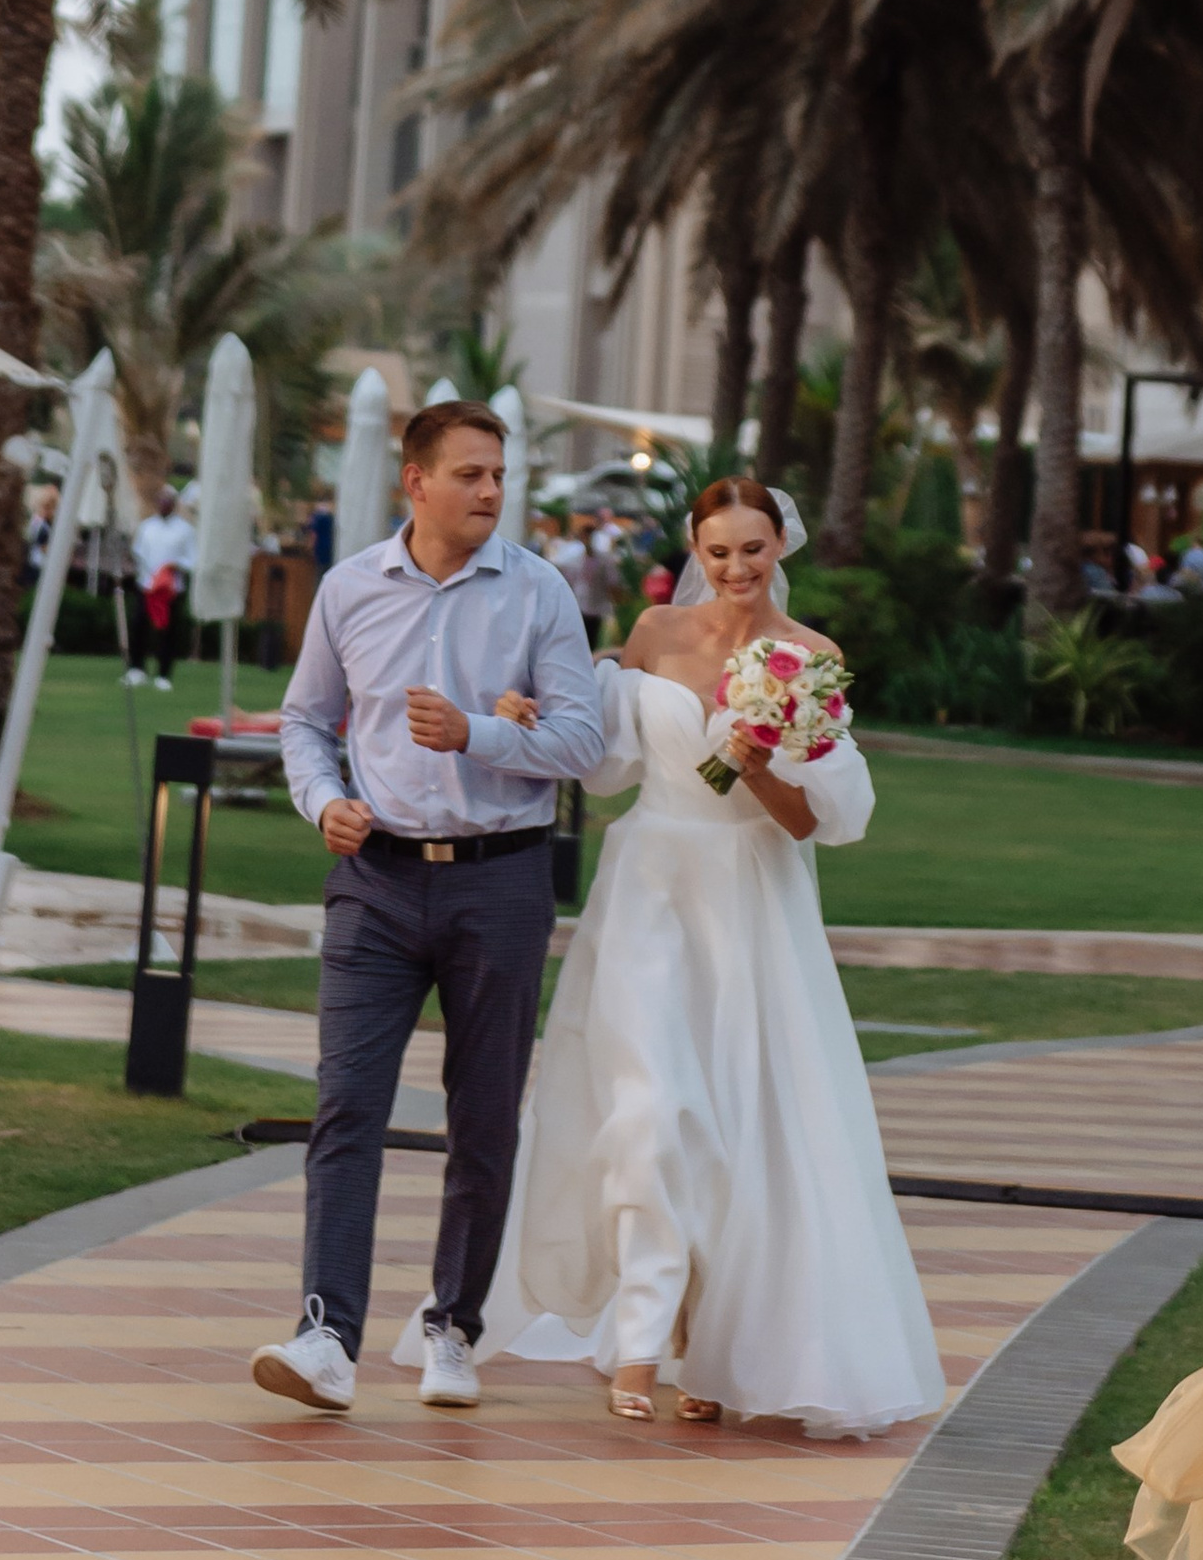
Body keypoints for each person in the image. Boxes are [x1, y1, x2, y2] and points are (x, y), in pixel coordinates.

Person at [474, 473, 944, 1438]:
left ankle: (710, 1343)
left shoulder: (811, 658)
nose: (736, 566)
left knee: (738, 1120)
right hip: (649, 889)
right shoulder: (652, 635)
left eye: (752, 548)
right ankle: (639, 1341)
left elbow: (814, 821)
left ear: (780, 547)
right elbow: (603, 758)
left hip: (751, 900)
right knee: (652, 1108)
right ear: (696, 549)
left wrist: (762, 768)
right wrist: (529, 719)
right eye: (719, 549)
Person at [258, 399, 603, 1418]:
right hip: (374, 882)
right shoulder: (349, 588)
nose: (491, 490)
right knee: (345, 1106)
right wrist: (322, 800)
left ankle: (455, 1326)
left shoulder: (539, 591)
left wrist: (475, 735)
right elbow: (304, 720)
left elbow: (582, 742)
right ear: (415, 482)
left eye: (498, 473)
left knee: (483, 1115)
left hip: (501, 880)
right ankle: (327, 1335)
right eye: (469, 473)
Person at [130, 484, 198, 680]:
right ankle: (136, 668)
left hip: (171, 588)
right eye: (160, 501)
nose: (163, 504)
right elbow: (138, 553)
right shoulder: (147, 527)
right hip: (147, 585)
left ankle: (164, 673)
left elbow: (193, 560)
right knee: (139, 626)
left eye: (167, 501)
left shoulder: (185, 530)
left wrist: (175, 566)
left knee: (168, 631)